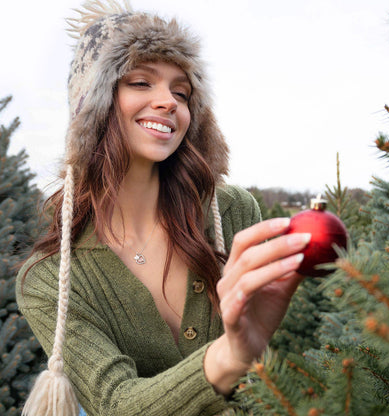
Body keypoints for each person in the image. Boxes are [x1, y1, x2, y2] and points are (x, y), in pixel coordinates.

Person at [16, 1, 311, 415]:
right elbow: (116, 404)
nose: (168, 101)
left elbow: (259, 384)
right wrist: (227, 356)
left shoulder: (230, 213)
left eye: (181, 92)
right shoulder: (48, 279)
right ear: (93, 103)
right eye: (140, 82)